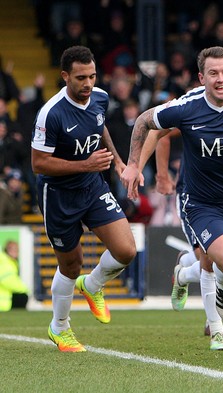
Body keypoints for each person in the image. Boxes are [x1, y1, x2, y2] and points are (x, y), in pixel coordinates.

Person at [121, 46, 223, 360]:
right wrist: (136, 165)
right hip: (201, 201)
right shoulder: (186, 107)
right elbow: (145, 123)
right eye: (214, 73)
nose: (221, 79)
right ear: (201, 77)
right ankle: (218, 308)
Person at [31, 46, 137, 352]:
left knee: (126, 250)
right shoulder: (51, 113)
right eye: (80, 77)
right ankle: (59, 327)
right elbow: (38, 163)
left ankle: (92, 286)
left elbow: (99, 126)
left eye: (91, 76)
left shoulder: (100, 98)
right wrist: (85, 165)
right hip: (59, 194)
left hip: (92, 186)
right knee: (71, 264)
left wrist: (116, 162)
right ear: (65, 77)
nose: (88, 83)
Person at [0, 240, 29, 311]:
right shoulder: (5, 262)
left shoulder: (10, 262)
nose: (15, 252)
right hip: (4, 303)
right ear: (7, 250)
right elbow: (8, 280)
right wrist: (24, 289)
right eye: (12, 249)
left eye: (16, 249)